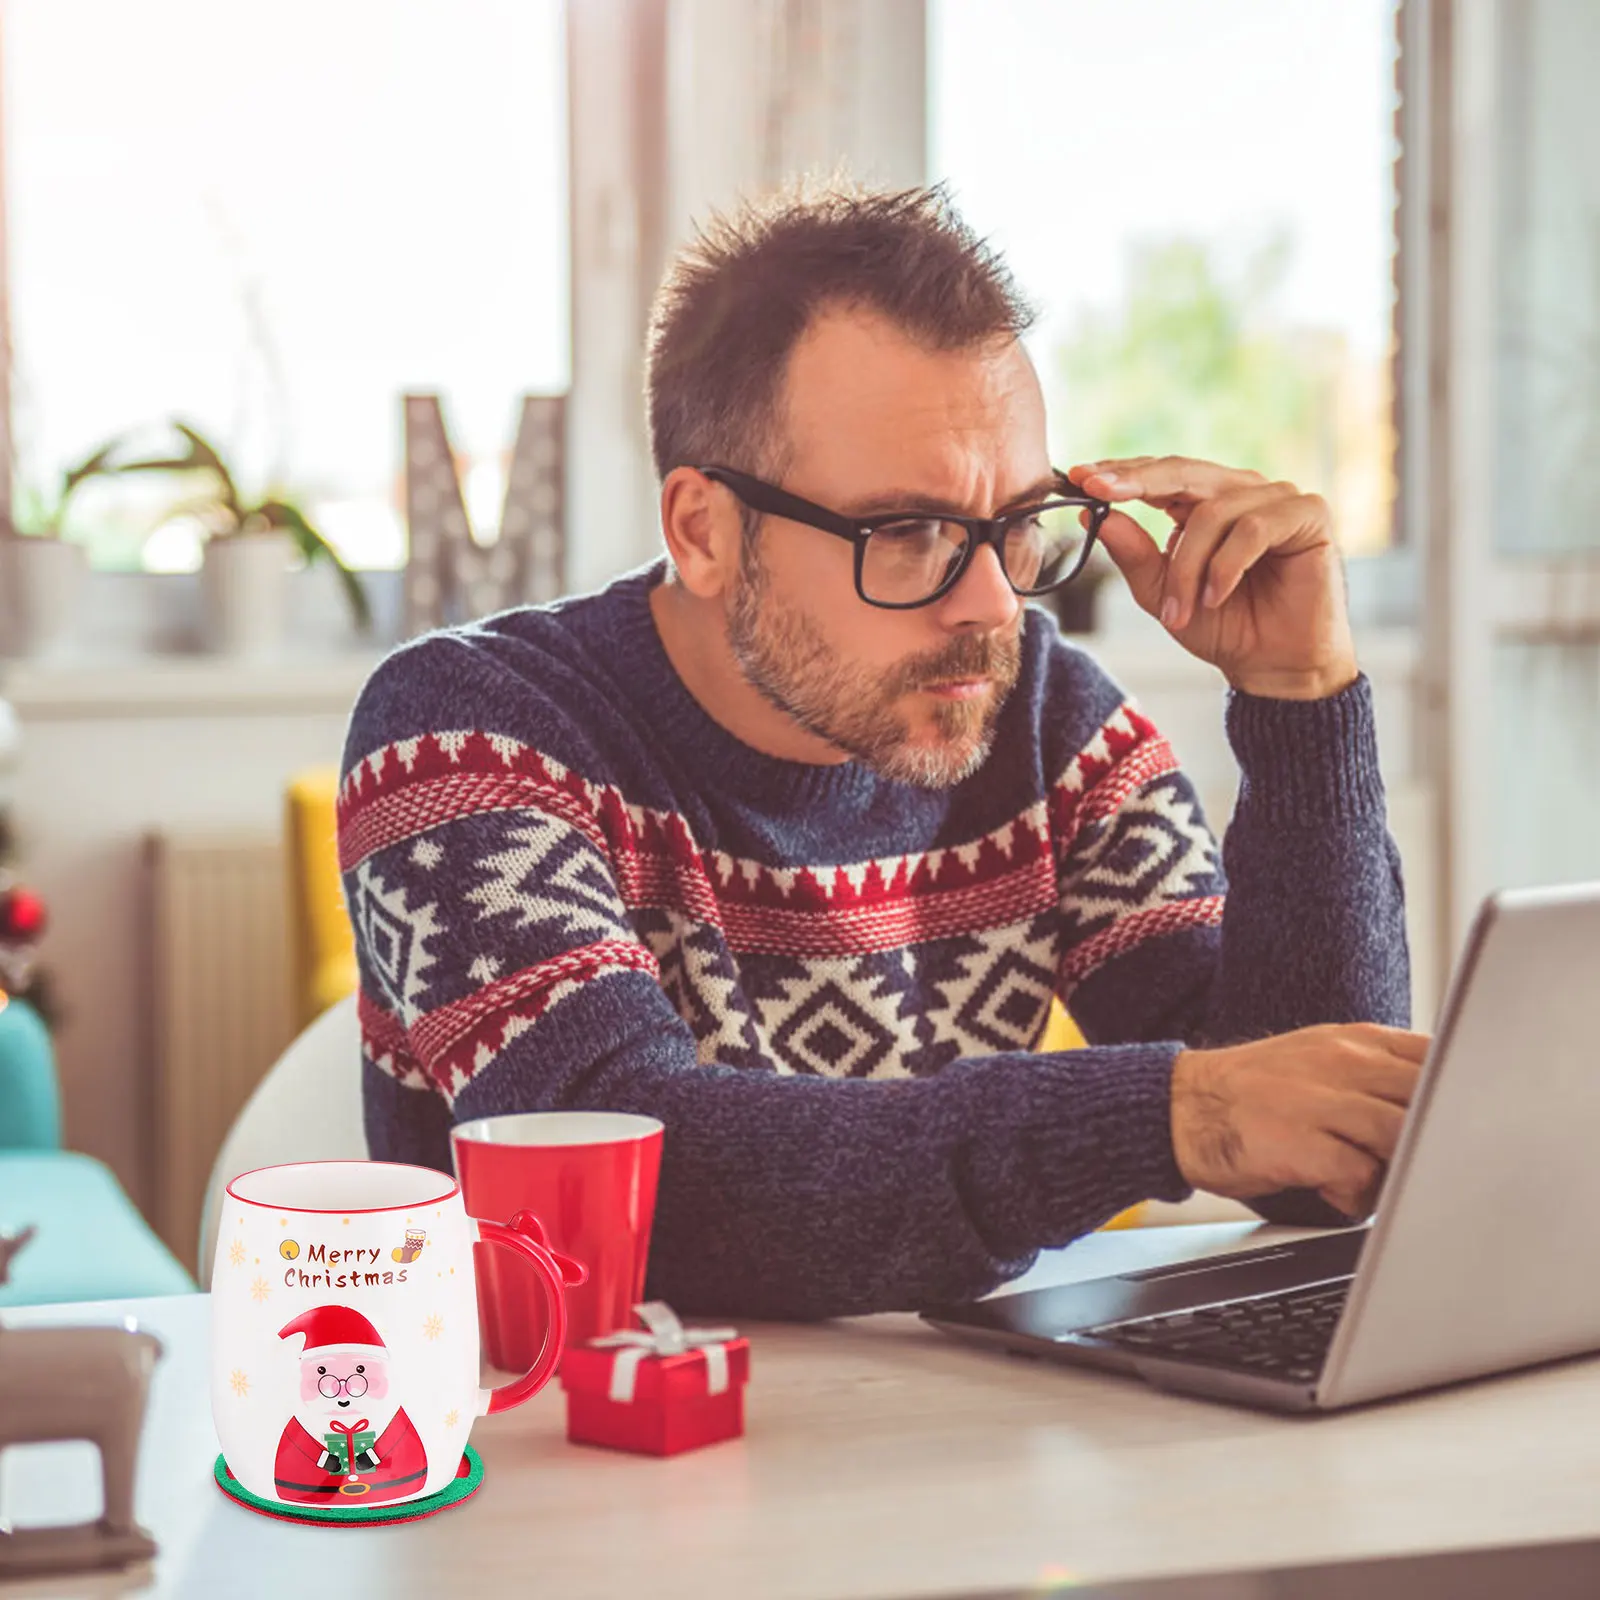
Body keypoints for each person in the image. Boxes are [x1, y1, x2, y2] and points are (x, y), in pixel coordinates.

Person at [340, 185, 1426, 1319]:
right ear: (702, 530)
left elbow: (1317, 1165)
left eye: (1018, 523)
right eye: (907, 533)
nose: (992, 607)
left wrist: (1300, 705)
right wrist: (1177, 1116)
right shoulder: (463, 730)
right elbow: (632, 1189)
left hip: (934, 1433)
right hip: (566, 1451)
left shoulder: (1051, 720)